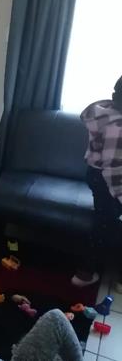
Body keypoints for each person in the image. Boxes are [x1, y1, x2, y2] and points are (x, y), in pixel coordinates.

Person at [71, 75, 122, 290]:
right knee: (104, 223)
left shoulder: (104, 112)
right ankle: (86, 272)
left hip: (94, 173)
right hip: (107, 179)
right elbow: (113, 167)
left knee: (104, 219)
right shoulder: (118, 126)